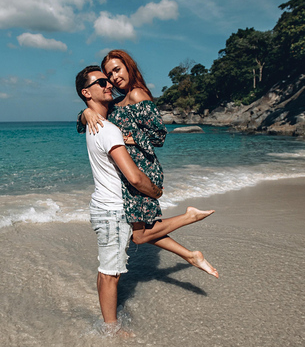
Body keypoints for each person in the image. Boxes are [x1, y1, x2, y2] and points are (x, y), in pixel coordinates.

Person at [76, 66, 217, 336]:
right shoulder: (105, 128)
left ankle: (189, 252)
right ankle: (111, 330)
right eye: (103, 80)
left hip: (108, 205)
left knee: (134, 242)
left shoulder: (103, 122)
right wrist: (155, 191)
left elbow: (157, 135)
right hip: (113, 207)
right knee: (110, 272)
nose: (110, 83)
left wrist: (90, 112)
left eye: (112, 76)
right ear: (86, 92)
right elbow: (135, 177)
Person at [79, 50, 217, 270]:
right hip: (128, 171)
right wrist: (86, 113)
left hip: (142, 170)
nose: (114, 78)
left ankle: (189, 218)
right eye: (108, 74)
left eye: (117, 70)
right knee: (142, 231)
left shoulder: (137, 95)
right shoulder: (115, 102)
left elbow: (159, 136)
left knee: (140, 235)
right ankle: (191, 256)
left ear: (129, 66)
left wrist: (128, 139)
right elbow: (88, 121)